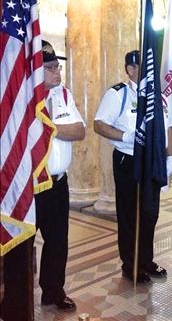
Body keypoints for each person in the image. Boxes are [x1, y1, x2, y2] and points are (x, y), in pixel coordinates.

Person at [94, 50, 168, 284]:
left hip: (152, 161)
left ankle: (146, 260)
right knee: (129, 215)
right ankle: (130, 264)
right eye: (138, 67)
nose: (144, 72)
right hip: (129, 161)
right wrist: (127, 137)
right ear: (130, 69)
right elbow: (99, 125)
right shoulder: (118, 94)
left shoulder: (157, 97)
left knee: (150, 214)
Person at [36, 41, 85, 311]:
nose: (58, 72)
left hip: (57, 183)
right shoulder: (21, 99)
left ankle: (53, 291)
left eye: (58, 67)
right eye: (51, 68)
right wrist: (60, 128)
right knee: (23, 241)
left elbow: (79, 131)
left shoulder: (63, 95)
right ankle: (13, 293)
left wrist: (49, 127)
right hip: (29, 186)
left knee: (57, 241)